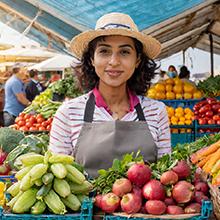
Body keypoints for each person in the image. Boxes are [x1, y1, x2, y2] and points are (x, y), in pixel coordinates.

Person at [49, 12, 171, 178]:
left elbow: (165, 175)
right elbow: (59, 177)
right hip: (84, 204)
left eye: (125, 52)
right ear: (92, 59)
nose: (114, 61)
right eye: (104, 51)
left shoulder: (156, 112)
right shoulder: (68, 113)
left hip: (145, 203)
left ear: (137, 60)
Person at [3, 62, 31, 126]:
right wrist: (32, 106)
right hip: (12, 115)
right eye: (24, 68)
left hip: (13, 114)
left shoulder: (16, 81)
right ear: (19, 70)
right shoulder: (15, 82)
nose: (26, 70)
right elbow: (21, 99)